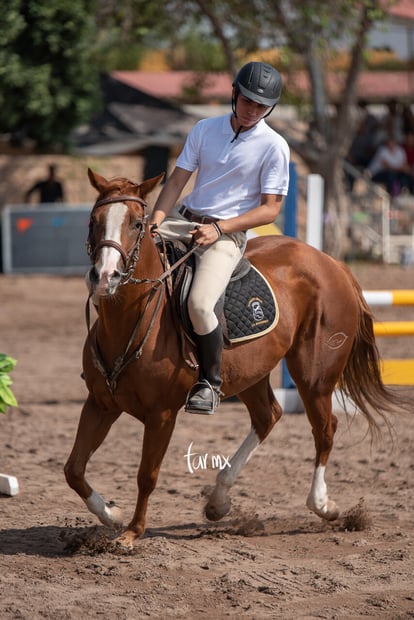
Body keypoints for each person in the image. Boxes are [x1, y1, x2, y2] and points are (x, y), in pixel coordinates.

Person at [150, 62, 290, 415]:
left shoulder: (274, 146)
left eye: (260, 106)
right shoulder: (204, 129)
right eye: (247, 101)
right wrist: (155, 222)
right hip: (182, 220)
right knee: (124, 259)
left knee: (199, 304)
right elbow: (177, 181)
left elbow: (270, 210)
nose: (252, 111)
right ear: (233, 93)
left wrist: (219, 229)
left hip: (226, 236)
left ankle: (210, 383)